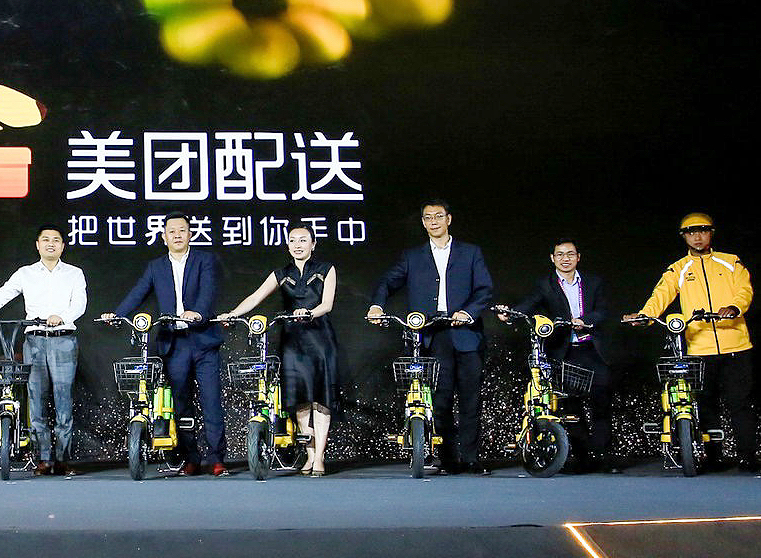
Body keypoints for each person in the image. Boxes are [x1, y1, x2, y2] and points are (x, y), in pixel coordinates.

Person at [367, 200, 495, 475]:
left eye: (438, 216)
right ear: (423, 223)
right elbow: (387, 281)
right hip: (433, 335)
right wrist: (377, 305)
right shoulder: (412, 256)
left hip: (467, 334)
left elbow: (484, 289)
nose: (433, 221)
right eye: (428, 217)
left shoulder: (470, 252)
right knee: (441, 400)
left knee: (471, 399)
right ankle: (448, 459)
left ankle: (471, 458)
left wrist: (468, 312)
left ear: (449, 219)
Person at [622, 212, 757, 470]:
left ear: (711, 233)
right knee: (705, 405)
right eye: (691, 232)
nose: (697, 237)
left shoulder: (731, 262)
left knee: (740, 402)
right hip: (699, 347)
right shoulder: (678, 268)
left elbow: (745, 290)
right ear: (684, 237)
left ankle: (747, 456)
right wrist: (644, 316)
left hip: (736, 345)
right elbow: (661, 295)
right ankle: (713, 457)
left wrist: (734, 307)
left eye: (702, 231)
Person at [102, 211, 227, 476]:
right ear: (164, 236)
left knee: (211, 401)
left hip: (203, 340)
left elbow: (208, 292)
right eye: (172, 231)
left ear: (190, 234)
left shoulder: (204, 260)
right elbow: (138, 292)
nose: (177, 235)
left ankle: (217, 459)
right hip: (174, 343)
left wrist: (198, 313)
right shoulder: (156, 266)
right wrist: (118, 314)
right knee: (181, 403)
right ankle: (191, 458)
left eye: (182, 230)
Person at [0, 224, 87, 476]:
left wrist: (61, 317)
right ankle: (43, 458)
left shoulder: (74, 273)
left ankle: (62, 459)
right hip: (34, 342)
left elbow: (80, 304)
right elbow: (3, 294)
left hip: (63, 340)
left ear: (63, 246)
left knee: (63, 399)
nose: (51, 243)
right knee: (36, 399)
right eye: (46, 239)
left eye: (56, 240)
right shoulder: (25, 273)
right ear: (38, 245)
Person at [219, 226, 342, 476]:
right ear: (287, 245)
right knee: (300, 400)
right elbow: (256, 297)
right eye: (293, 240)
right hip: (293, 341)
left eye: (303, 240)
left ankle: (320, 457)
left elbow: (327, 304)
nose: (298, 245)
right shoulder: (282, 273)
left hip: (320, 339)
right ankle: (309, 455)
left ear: (313, 244)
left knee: (321, 400)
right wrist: (232, 313)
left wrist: (310, 313)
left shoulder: (326, 269)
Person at [502, 239, 617, 472]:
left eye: (570, 254)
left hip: (591, 349)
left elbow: (604, 310)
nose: (566, 258)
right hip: (564, 351)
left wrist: (585, 321)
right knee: (570, 407)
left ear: (578, 257)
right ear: (552, 258)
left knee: (602, 403)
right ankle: (582, 459)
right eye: (560, 254)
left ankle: (604, 458)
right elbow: (529, 303)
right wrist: (511, 314)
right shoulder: (545, 284)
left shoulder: (593, 282)